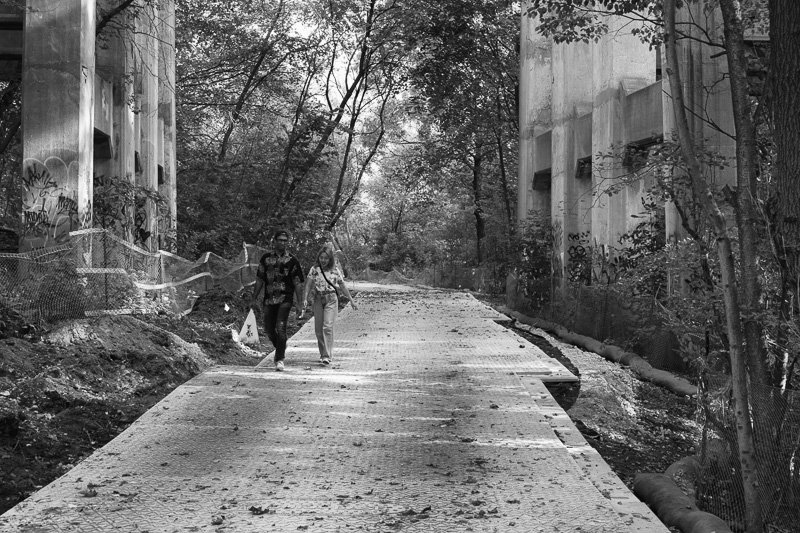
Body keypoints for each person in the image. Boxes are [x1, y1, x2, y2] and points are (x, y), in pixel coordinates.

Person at [251, 230, 305, 371]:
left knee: (281, 327)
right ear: (274, 241)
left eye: (285, 240)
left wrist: (300, 303)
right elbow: (259, 279)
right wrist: (253, 298)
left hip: (285, 298)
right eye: (280, 240)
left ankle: (279, 359)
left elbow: (298, 283)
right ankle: (281, 345)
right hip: (269, 299)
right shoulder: (266, 258)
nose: (282, 243)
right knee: (269, 330)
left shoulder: (292, 260)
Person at [302, 243, 357, 365]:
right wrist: (305, 298)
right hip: (318, 299)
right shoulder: (314, 269)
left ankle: (327, 355)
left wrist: (351, 300)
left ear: (330, 259)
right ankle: (323, 353)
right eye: (321, 258)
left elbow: (342, 285)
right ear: (318, 258)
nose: (323, 260)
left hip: (331, 298)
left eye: (326, 258)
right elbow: (308, 285)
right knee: (318, 329)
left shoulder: (335, 270)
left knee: (327, 326)